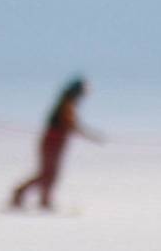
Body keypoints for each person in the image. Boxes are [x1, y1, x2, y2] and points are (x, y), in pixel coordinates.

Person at [8, 77, 102, 211]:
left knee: (50, 174)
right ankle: (23, 194)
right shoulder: (67, 104)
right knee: (48, 173)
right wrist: (90, 135)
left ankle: (43, 200)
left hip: (56, 143)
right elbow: (70, 123)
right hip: (52, 142)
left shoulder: (67, 103)